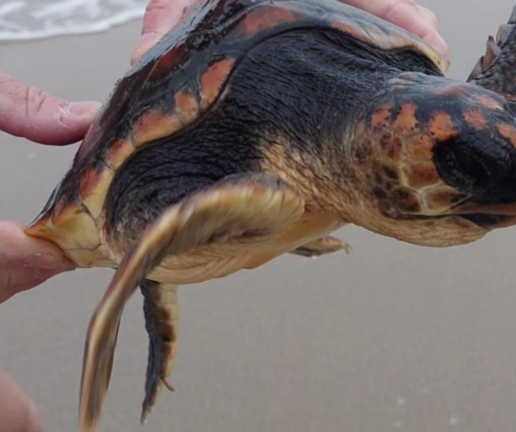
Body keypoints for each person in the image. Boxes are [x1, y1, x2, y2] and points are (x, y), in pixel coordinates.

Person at [0, 1, 447, 431]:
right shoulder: (269, 175)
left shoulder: (377, 92)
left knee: (19, 422)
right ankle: (157, 276)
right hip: (153, 184)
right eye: (460, 166)